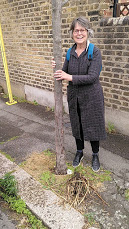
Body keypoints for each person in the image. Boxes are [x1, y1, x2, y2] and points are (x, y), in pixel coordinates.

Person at [52, 17, 106, 172]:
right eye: (76, 30)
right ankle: (79, 152)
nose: (79, 33)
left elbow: (93, 76)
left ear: (88, 32)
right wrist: (55, 66)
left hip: (92, 96)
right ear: (72, 33)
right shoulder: (70, 52)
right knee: (77, 125)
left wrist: (69, 78)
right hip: (75, 95)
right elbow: (63, 72)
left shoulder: (94, 51)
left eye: (83, 30)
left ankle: (95, 155)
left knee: (93, 125)